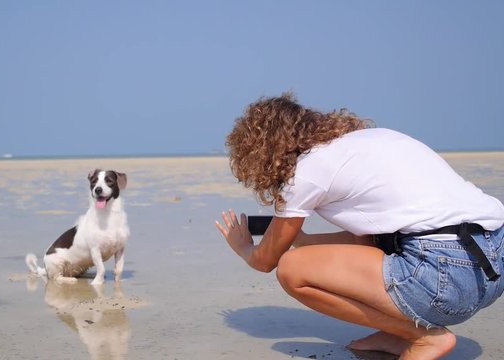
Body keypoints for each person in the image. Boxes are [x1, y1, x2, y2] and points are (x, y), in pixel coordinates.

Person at [215, 92, 504, 360]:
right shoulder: (367, 142)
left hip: (445, 277)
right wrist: (303, 240)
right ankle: (397, 334)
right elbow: (368, 244)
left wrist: (243, 247)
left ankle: (422, 336)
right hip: (492, 266)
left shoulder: (306, 173)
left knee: (292, 269)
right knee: (380, 246)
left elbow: (266, 261)